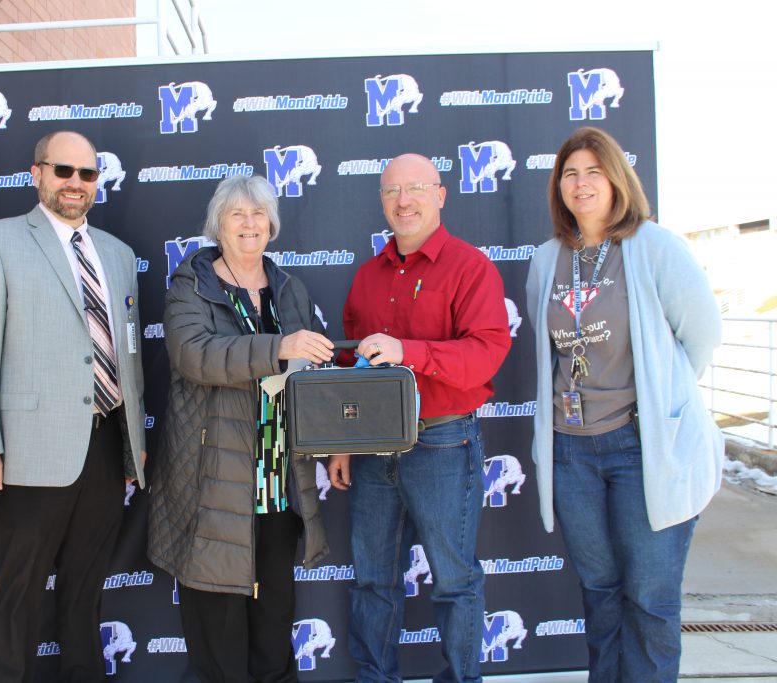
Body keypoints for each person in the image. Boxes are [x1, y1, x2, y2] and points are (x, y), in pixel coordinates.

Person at [525, 126, 723, 682]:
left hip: (642, 447)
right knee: (600, 594)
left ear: (616, 179)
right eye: (570, 173)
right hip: (572, 451)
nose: (581, 183)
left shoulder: (653, 246)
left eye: (593, 171)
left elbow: (702, 334)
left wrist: (667, 403)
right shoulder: (545, 261)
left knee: (650, 599)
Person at [0, 130, 147, 682]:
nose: (76, 184)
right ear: (36, 173)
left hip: (107, 445)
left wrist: (135, 449)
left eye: (87, 175)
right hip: (29, 450)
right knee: (17, 589)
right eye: (63, 171)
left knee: (86, 588)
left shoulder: (117, 254)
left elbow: (128, 358)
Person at [327, 153, 511, 683]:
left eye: (415, 188)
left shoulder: (469, 266)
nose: (402, 201)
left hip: (442, 442)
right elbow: (349, 369)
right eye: (391, 192)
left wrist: (409, 350)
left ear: (440, 195)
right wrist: (343, 441)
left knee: (454, 580)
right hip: (370, 448)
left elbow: (485, 354)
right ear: (382, 202)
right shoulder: (366, 277)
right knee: (371, 580)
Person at [148, 175, 334, 683]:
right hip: (214, 483)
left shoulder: (290, 287)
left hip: (278, 483)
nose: (249, 224)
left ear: (272, 224)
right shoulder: (192, 284)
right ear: (218, 226)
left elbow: (308, 374)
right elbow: (194, 356)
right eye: (237, 215)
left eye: (258, 214)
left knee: (274, 627)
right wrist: (279, 347)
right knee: (218, 638)